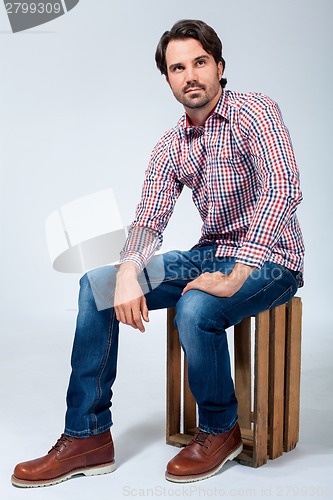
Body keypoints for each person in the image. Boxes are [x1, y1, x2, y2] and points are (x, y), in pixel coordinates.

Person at [12, 19, 304, 488]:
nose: (190, 75)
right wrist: (128, 271)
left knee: (195, 305)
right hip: (209, 254)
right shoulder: (171, 146)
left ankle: (219, 428)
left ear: (219, 67)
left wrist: (235, 275)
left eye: (199, 63)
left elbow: (282, 188)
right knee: (97, 284)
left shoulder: (255, 112)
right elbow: (149, 217)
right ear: (167, 79)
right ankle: (88, 436)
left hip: (271, 258)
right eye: (177, 68)